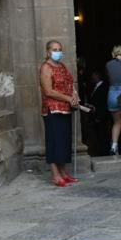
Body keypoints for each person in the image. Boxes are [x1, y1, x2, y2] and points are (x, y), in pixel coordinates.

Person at [39, 39, 78, 187]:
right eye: (54, 50)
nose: (57, 52)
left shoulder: (62, 66)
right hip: (52, 109)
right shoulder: (45, 68)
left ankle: (64, 173)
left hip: (65, 109)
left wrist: (74, 96)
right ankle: (55, 175)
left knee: (64, 141)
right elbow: (48, 91)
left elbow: (69, 83)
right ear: (48, 52)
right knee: (54, 142)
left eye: (59, 49)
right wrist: (67, 98)